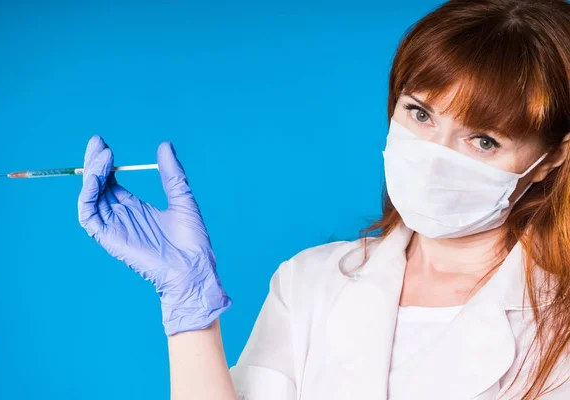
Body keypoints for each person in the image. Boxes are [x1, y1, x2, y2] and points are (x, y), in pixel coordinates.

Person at [77, 0, 570, 399]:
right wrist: (189, 310)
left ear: (550, 159)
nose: (435, 156)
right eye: (420, 114)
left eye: (483, 140)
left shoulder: (560, 324)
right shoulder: (311, 282)